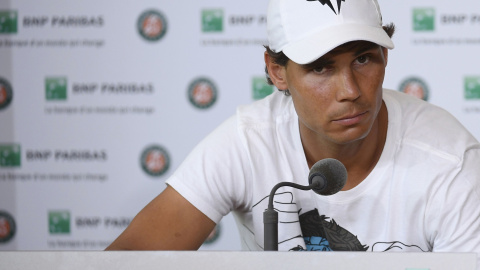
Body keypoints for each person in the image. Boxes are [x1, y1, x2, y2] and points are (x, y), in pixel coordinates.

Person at [106, 0, 480, 259]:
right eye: (321, 68)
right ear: (277, 71)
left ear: (385, 56)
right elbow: (124, 261)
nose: (350, 91)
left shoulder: (450, 162)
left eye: (364, 59)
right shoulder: (248, 142)